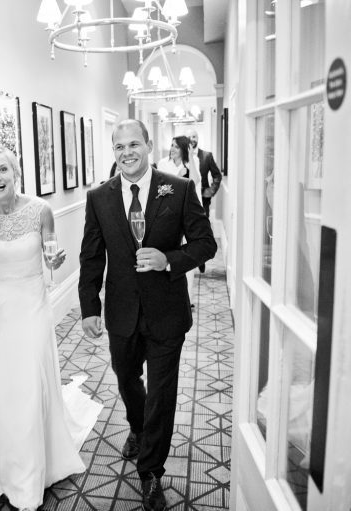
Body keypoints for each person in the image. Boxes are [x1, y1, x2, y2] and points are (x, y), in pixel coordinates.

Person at [78, 120, 217, 511]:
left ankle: (151, 469)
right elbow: (91, 256)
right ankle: (138, 428)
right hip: (121, 311)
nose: (126, 153)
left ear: (149, 145)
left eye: (133, 144)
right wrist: (90, 306)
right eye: (118, 146)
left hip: (166, 311)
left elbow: (206, 244)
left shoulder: (180, 188)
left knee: (162, 392)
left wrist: (168, 260)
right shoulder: (99, 198)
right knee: (126, 378)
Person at [0, 146, 102, 511]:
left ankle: (28, 475)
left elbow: (51, 254)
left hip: (32, 305)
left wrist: (53, 259)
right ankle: (3, 457)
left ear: (16, 172)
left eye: (3, 169)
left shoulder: (40, 210)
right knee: (2, 385)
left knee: (27, 383)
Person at [158, 135, 203, 308]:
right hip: (166, 214)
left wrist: (190, 158)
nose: (172, 149)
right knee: (169, 252)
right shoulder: (163, 164)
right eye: (171, 145)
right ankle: (167, 292)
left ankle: (188, 297)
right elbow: (160, 188)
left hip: (187, 214)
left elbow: (195, 180)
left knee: (188, 254)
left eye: (176, 146)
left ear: (183, 149)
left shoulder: (193, 162)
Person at [187, 128, 222, 273]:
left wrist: (210, 191)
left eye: (194, 136)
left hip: (203, 199)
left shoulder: (207, 156)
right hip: (186, 199)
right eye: (190, 137)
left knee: (202, 229)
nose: (192, 139)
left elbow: (217, 175)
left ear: (198, 138)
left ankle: (201, 260)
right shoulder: (183, 158)